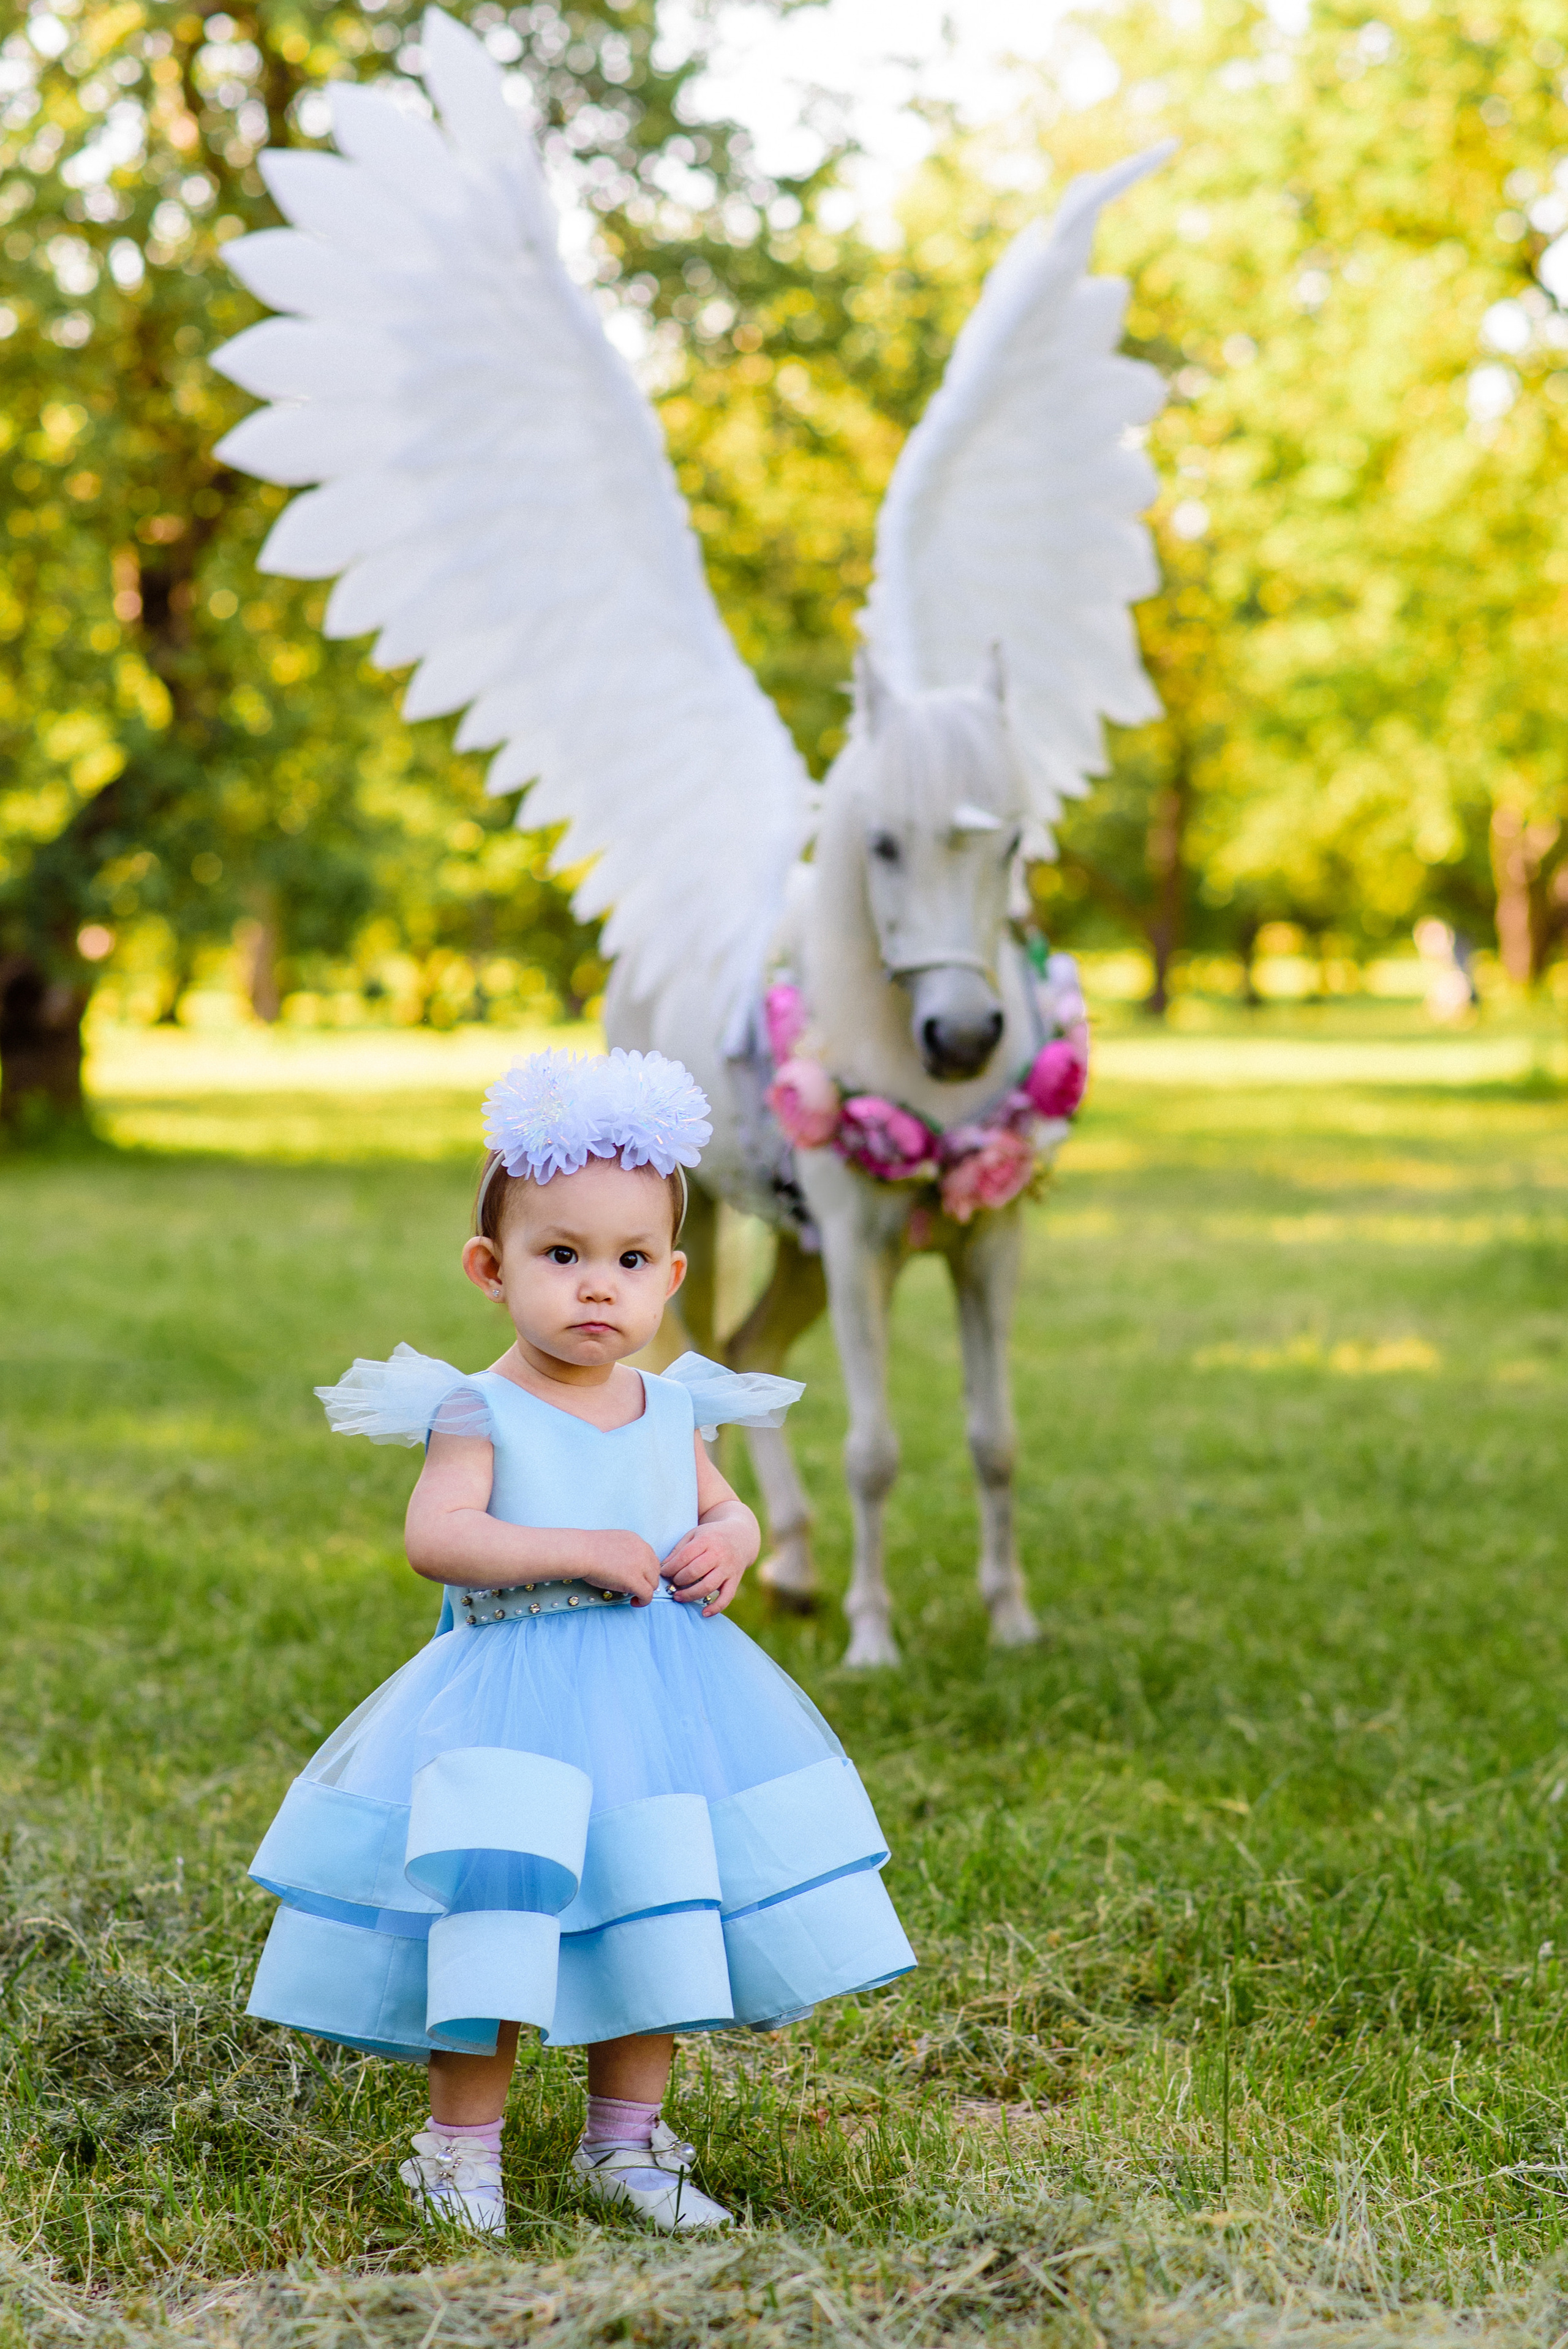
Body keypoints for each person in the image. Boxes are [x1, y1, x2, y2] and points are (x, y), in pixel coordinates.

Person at [245, 1048, 914, 2239]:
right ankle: (457, 2152)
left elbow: (712, 1504)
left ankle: (627, 2142)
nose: (595, 1289)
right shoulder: (478, 1406)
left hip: (657, 1705)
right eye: (561, 1257)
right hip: (515, 1699)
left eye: (626, 1262)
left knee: (649, 1903)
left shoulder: (669, 1403)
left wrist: (738, 1537)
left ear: (670, 1274)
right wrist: (576, 1547)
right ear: (489, 1271)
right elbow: (438, 1537)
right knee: (495, 1917)